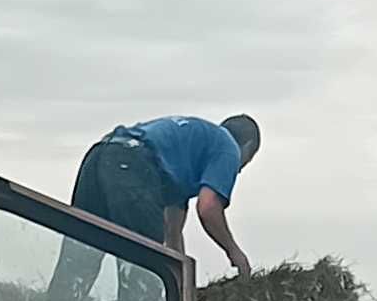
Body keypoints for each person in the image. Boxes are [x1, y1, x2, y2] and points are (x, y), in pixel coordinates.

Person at [67, 114, 261, 279]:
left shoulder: (186, 152)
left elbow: (172, 233)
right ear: (248, 147)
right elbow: (208, 208)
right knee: (143, 275)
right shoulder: (228, 147)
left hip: (100, 155)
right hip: (131, 165)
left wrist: (180, 285)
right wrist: (234, 252)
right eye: (246, 162)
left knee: (77, 264)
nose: (239, 171)